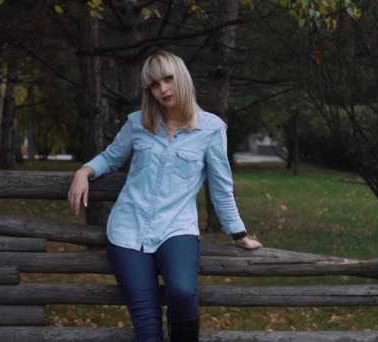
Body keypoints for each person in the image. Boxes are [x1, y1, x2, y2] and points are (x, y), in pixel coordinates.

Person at [67, 50, 262, 342]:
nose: (163, 90)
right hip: (127, 231)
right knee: (147, 327)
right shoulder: (137, 123)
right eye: (154, 85)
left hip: (176, 228)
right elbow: (111, 157)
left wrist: (238, 233)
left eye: (168, 80)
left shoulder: (211, 129)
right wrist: (84, 172)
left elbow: (221, 187)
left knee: (183, 291)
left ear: (181, 77)